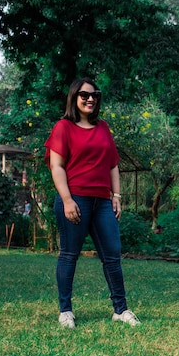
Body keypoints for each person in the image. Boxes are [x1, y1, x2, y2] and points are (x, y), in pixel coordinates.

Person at [44, 77, 140, 328]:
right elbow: (56, 166)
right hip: (75, 199)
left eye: (94, 95)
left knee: (112, 256)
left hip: (102, 203)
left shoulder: (103, 128)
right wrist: (66, 200)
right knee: (69, 255)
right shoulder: (63, 127)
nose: (90, 99)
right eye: (84, 95)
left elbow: (113, 164)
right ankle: (65, 311)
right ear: (74, 98)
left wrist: (116, 196)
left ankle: (120, 310)